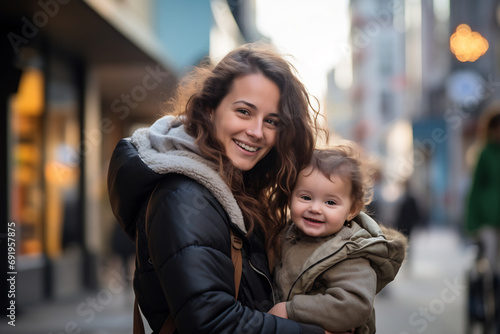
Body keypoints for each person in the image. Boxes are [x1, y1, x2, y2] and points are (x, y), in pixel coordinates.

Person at [107, 43, 336, 333]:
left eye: (271, 121)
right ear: (209, 108)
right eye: (243, 111)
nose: (256, 131)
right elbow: (212, 321)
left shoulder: (233, 184)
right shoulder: (184, 195)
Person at [269, 143, 407, 334]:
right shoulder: (286, 235)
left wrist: (289, 310)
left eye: (330, 202)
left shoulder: (349, 252)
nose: (315, 208)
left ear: (351, 210)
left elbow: (354, 305)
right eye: (306, 197)